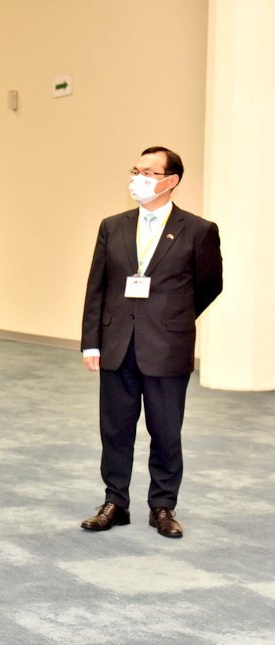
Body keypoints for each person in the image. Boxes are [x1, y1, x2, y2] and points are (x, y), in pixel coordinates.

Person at [80, 146, 222, 538]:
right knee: (115, 430)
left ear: (171, 180)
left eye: (149, 172)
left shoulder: (198, 230)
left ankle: (162, 506)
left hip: (167, 347)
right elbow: (97, 286)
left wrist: (173, 318)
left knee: (166, 432)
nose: (138, 178)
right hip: (117, 344)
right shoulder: (113, 226)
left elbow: (210, 285)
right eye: (135, 170)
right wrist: (91, 342)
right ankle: (115, 502)